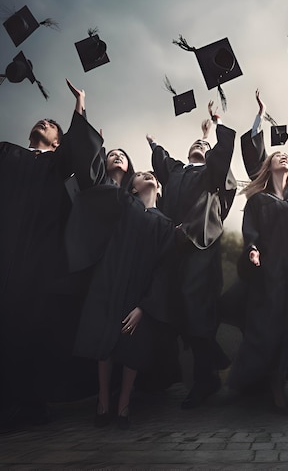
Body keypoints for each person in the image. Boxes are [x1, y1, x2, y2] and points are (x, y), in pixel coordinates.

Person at [0, 80, 103, 430]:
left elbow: (80, 149)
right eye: (42, 121)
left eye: (52, 124)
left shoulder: (59, 164)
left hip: (40, 259)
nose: (45, 122)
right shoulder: (5, 152)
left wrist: (80, 103)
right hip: (6, 248)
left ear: (58, 141)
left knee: (33, 326)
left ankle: (31, 402)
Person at [229, 89, 288, 410]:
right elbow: (250, 230)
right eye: (276, 156)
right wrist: (253, 249)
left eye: (287, 156)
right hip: (274, 274)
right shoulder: (258, 200)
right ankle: (276, 383)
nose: (284, 156)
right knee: (273, 328)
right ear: (268, 166)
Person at [148, 102, 237, 409]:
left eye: (205, 145)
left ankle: (205, 378)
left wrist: (214, 125)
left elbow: (221, 157)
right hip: (171, 248)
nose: (200, 145)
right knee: (166, 308)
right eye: (195, 143)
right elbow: (161, 160)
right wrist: (153, 142)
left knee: (195, 307)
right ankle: (162, 378)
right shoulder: (175, 172)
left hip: (200, 245)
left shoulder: (212, 175)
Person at [69, 171, 175, 429]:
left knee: (133, 346)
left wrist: (144, 307)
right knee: (104, 339)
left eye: (150, 175)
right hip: (108, 285)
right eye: (139, 175)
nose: (146, 175)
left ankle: (124, 403)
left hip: (140, 294)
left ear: (159, 189)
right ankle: (103, 401)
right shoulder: (125, 207)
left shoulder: (166, 224)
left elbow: (164, 271)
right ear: (133, 188)